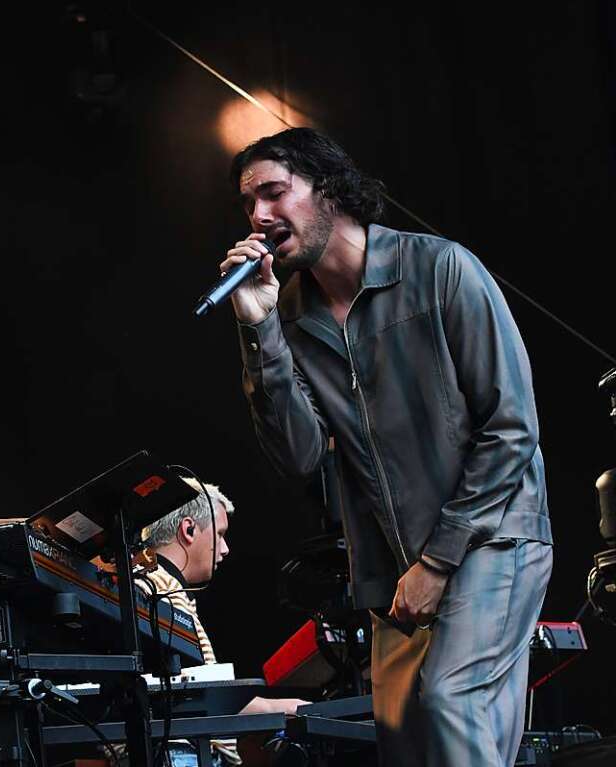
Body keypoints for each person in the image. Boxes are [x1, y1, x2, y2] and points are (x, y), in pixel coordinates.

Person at [219, 127, 552, 766]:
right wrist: (259, 329)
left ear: (331, 190)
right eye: (247, 204)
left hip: (491, 536)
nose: (258, 216)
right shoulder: (288, 313)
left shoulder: (438, 268)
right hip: (390, 567)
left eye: (274, 193)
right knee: (408, 743)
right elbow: (300, 456)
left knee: (451, 704)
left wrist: (438, 561)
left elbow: (511, 427)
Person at [138, 478, 308, 767]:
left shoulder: (157, 586)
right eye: (220, 534)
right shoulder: (156, 591)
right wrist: (281, 708)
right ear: (189, 530)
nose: (226, 548)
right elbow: (200, 702)